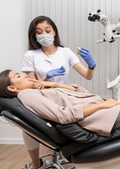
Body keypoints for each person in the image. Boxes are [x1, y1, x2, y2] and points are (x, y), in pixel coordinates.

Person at [20, 15, 96, 169]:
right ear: (34, 36)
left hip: (64, 96)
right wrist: (47, 77)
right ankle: (36, 164)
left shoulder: (66, 52)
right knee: (27, 124)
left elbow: (87, 76)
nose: (44, 35)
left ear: (54, 32)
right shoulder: (30, 55)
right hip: (43, 97)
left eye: (47, 30)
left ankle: (77, 158)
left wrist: (91, 64)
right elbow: (31, 85)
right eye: (39, 32)